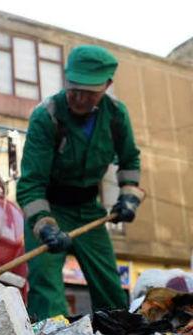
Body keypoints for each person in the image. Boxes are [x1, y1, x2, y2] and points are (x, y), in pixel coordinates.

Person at [16, 45, 144, 320]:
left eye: (89, 91)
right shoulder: (46, 116)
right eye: (74, 87)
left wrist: (129, 198)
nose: (78, 96)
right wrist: (45, 227)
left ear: (107, 85)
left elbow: (130, 161)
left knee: (112, 290)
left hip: (89, 210)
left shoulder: (116, 116)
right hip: (50, 209)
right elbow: (30, 185)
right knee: (46, 288)